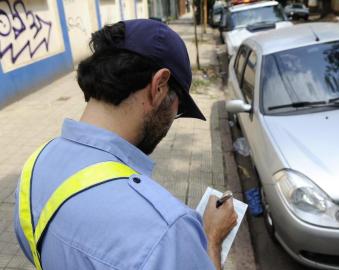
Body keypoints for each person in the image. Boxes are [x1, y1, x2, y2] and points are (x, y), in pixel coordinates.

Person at [14, 19, 237, 270]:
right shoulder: (167, 231)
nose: (172, 120)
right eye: (179, 109)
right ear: (159, 86)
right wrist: (212, 238)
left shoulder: (33, 169)